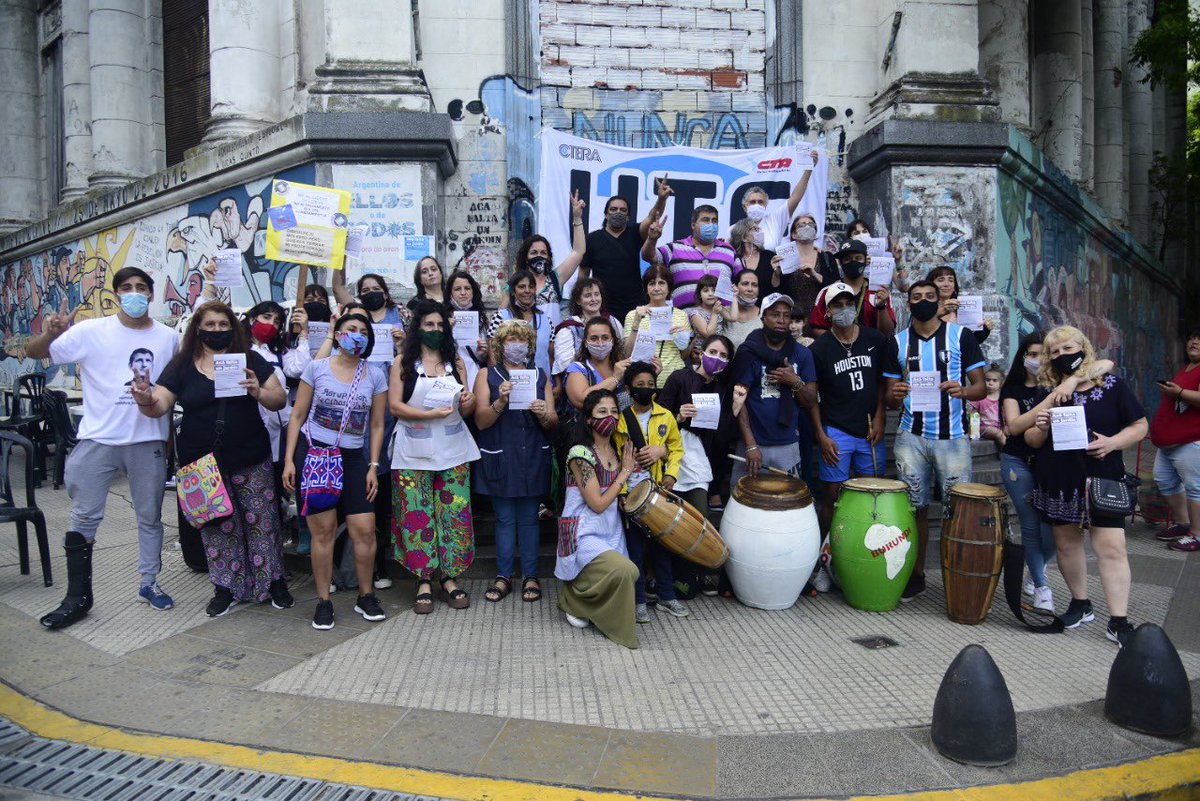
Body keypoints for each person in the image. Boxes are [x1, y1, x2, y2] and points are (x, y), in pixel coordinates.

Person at [29, 266, 180, 629]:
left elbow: (173, 389)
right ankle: (78, 596)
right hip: (98, 440)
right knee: (83, 518)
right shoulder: (90, 331)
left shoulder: (168, 338)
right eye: (127, 288)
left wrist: (170, 442)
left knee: (149, 518)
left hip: (148, 442)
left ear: (151, 294)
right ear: (116, 294)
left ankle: (149, 583)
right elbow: (37, 353)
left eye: (141, 288)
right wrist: (47, 333)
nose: (134, 293)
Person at [137, 301, 291, 616]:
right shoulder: (182, 365)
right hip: (202, 463)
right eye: (210, 325)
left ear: (232, 328)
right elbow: (160, 404)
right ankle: (226, 587)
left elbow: (279, 398)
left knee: (262, 522)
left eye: (223, 324)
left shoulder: (249, 359)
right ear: (198, 328)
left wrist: (258, 392)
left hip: (250, 455)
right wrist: (144, 401)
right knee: (218, 527)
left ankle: (273, 581)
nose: (217, 330)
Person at [1026, 326, 1148, 645]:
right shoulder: (1050, 390)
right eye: (1054, 351)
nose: (1062, 355)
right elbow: (1031, 439)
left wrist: (1113, 442)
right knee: (1066, 544)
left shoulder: (1111, 385)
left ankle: (1118, 620)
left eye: (1068, 347)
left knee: (1112, 547)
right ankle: (1080, 603)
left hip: (1103, 477)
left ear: (1084, 348)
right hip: (1060, 479)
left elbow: (1139, 425)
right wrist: (1040, 426)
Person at [883, 280, 988, 601]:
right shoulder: (897, 343)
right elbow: (889, 398)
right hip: (910, 437)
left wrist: (963, 391)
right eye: (917, 297)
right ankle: (916, 576)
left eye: (930, 296)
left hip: (952, 439)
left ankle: (957, 576)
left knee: (958, 512)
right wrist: (896, 395)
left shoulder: (961, 336)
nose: (924, 301)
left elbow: (981, 387)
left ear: (939, 300)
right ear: (909, 304)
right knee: (914, 509)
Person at [283, 312, 389, 630]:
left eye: (362, 331)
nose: (356, 335)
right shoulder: (317, 368)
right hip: (316, 455)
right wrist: (289, 460)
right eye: (350, 329)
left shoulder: (375, 375)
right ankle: (323, 601)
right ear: (338, 334)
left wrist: (373, 465)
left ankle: (365, 595)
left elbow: (377, 423)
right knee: (323, 531)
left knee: (365, 530)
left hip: (355, 458)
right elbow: (298, 415)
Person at [1003, 336, 1114, 613]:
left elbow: (1107, 363)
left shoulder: (1061, 383)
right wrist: (1052, 400)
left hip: (1050, 465)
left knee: (1053, 534)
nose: (1037, 359)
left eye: (1043, 354)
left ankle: (1035, 569)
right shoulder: (1017, 388)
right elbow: (1015, 427)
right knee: (1030, 526)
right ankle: (1042, 587)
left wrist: (1071, 381)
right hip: (1018, 462)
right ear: (1022, 357)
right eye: (1031, 354)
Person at [390, 301, 479, 613]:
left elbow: (466, 409)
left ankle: (449, 578)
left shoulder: (456, 362)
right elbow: (395, 407)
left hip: (453, 450)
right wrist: (428, 415)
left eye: (440, 325)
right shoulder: (403, 362)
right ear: (418, 327)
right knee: (417, 515)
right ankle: (423, 579)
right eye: (429, 325)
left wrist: (469, 399)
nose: (435, 331)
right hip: (412, 452)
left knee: (453, 516)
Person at [474, 320, 557, 603]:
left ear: (530, 345)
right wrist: (499, 402)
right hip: (502, 455)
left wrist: (544, 412)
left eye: (521, 340)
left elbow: (553, 422)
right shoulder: (487, 374)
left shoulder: (540, 374)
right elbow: (481, 421)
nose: (516, 345)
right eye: (510, 340)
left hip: (533, 454)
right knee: (505, 519)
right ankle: (504, 576)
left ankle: (531, 576)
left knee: (529, 520)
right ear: (500, 345)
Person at [556, 389, 641, 648]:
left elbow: (622, 491)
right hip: (583, 532)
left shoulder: (619, 449)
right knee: (627, 570)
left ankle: (582, 602)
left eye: (614, 411)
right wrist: (624, 474)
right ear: (589, 419)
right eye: (602, 412)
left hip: (611, 531)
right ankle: (575, 600)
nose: (610, 417)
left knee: (627, 574)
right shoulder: (579, 454)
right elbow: (597, 503)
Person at [808, 282, 888, 535]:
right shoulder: (818, 349)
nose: (844, 309)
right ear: (827, 311)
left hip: (868, 428)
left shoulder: (874, 338)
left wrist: (880, 416)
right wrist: (821, 435)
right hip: (836, 429)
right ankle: (825, 551)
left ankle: (865, 546)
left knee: (872, 493)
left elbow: (882, 382)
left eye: (849, 303)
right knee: (832, 495)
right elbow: (812, 397)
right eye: (837, 305)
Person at [614, 361, 685, 623]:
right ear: (629, 389)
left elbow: (676, 448)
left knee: (661, 547)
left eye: (650, 385)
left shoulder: (665, 416)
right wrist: (620, 492)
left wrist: (669, 470)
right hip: (631, 494)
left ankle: (667, 596)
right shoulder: (620, 419)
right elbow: (612, 456)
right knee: (634, 550)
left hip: (657, 494)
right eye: (640, 385)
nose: (646, 389)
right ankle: (638, 600)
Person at [729, 293, 817, 487]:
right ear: (763, 318)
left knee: (786, 501)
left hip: (788, 443)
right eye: (775, 314)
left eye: (786, 315)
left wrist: (794, 381)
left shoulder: (802, 354)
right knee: (745, 502)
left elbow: (810, 401)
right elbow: (737, 400)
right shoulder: (748, 352)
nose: (782, 320)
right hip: (752, 444)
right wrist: (750, 444)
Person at [657, 333, 742, 516]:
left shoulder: (724, 389)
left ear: (728, 362)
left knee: (697, 516)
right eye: (712, 352)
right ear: (701, 354)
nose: (716, 358)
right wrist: (678, 416)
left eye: (723, 355)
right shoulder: (679, 377)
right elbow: (658, 417)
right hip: (672, 452)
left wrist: (735, 407)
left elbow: (724, 436)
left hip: (701, 459)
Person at [501, 192, 587, 325]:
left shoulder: (555, 279)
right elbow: (501, 318)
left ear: (548, 256)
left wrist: (577, 218)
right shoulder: (514, 284)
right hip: (523, 343)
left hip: (553, 344)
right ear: (526, 257)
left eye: (543, 252)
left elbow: (578, 251)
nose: (539, 256)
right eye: (534, 253)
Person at [579, 192, 667, 322]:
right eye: (613, 209)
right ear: (606, 214)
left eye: (623, 210)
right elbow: (583, 274)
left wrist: (661, 198)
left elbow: (652, 216)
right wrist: (582, 302)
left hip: (635, 305)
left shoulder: (636, 233)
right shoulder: (592, 239)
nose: (618, 212)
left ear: (628, 216)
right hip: (602, 306)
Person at [1150, 327, 1200, 550]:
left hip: (1190, 440)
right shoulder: (1188, 367)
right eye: (1191, 337)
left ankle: (1197, 535)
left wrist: (1178, 393)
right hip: (1169, 443)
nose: (1194, 342)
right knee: (1164, 480)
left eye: (1199, 339)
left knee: (1195, 487)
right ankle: (1183, 523)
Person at [641, 204, 740, 309]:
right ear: (693, 225)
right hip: (683, 322)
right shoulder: (674, 248)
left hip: (720, 321)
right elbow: (648, 256)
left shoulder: (729, 251)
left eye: (714, 221)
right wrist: (652, 239)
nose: (711, 224)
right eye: (705, 220)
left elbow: (741, 281)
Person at [808, 240, 895, 338]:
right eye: (848, 259)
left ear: (866, 261)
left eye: (858, 258)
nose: (853, 262)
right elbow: (816, 329)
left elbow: (887, 333)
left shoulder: (879, 292)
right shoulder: (827, 292)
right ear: (841, 263)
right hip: (838, 351)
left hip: (872, 350)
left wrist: (881, 307)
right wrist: (839, 341)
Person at [737, 150, 820, 249]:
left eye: (760, 202)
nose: (756, 205)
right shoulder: (733, 230)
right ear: (744, 206)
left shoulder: (775, 220)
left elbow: (795, 197)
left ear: (765, 205)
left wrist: (808, 169)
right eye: (752, 202)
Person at [552, 277, 624, 380]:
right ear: (578, 300)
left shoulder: (613, 322)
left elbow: (622, 353)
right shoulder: (569, 329)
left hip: (614, 377)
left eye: (597, 294)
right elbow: (565, 365)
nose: (594, 299)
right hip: (581, 381)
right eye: (588, 295)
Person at [487, 270, 553, 377]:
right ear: (513, 291)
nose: (527, 291)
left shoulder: (546, 320)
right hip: (507, 383)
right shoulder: (500, 317)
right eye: (521, 287)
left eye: (531, 287)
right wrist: (499, 381)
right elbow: (492, 355)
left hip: (541, 384)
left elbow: (551, 356)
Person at [775, 214, 839, 319]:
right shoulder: (784, 258)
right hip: (792, 320)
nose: (807, 227)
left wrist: (816, 275)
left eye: (811, 224)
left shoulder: (826, 257)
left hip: (821, 318)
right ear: (794, 234)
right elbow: (778, 290)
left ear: (815, 233)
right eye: (802, 225)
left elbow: (836, 286)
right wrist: (776, 272)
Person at [565, 316, 632, 412]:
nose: (600, 343)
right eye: (594, 338)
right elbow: (581, 400)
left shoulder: (623, 367)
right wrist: (615, 379)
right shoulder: (577, 368)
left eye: (605, 338)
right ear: (585, 343)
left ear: (612, 341)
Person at [331, 271, 408, 353]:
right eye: (365, 290)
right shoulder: (356, 311)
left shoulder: (401, 312)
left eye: (376, 289)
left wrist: (404, 339)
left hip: (395, 363)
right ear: (360, 296)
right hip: (359, 363)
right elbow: (338, 287)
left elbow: (415, 341)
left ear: (385, 294)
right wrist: (341, 259)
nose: (371, 292)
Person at [445, 269, 489, 390]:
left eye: (467, 288)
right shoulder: (441, 318)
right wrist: (445, 331)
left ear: (473, 292)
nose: (463, 293)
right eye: (457, 289)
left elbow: (484, 358)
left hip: (475, 374)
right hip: (449, 373)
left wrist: (484, 353)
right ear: (450, 293)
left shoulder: (481, 319)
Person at [927, 265, 993, 343]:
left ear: (954, 287)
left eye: (951, 280)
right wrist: (942, 311)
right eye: (941, 280)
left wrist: (984, 329)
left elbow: (970, 343)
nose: (946, 284)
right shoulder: (925, 307)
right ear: (931, 285)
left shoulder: (963, 309)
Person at [728, 218, 777, 302]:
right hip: (738, 309)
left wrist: (777, 272)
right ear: (743, 237)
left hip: (765, 310)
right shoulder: (733, 258)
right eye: (755, 229)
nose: (760, 232)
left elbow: (777, 287)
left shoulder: (770, 256)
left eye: (759, 229)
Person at [723, 270, 763, 351]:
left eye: (754, 285)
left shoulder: (765, 315)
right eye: (745, 284)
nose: (750, 289)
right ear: (735, 287)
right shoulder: (723, 313)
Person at [971, 367, 1005, 446]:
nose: (990, 383)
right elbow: (973, 415)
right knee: (997, 433)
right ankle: (1007, 451)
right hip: (985, 428)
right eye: (988, 380)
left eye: (994, 380)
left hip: (1000, 427)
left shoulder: (1003, 398)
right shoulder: (980, 397)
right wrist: (974, 434)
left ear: (1001, 383)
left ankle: (1003, 453)